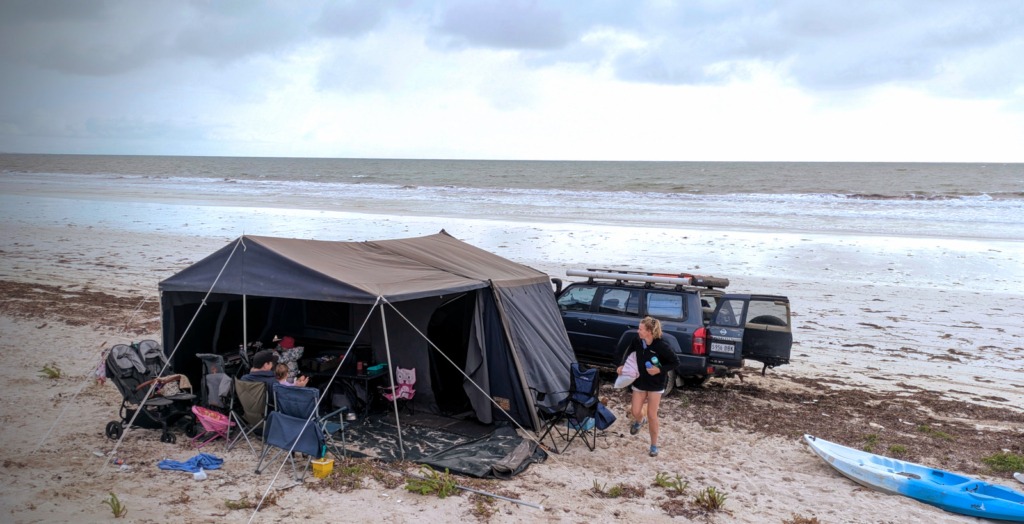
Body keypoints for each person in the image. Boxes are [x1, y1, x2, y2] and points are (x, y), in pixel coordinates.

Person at [617, 316, 679, 457]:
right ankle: (640, 421)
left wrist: (659, 370)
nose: (638, 331)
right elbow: (628, 352)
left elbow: (675, 362)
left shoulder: (661, 345)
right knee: (635, 411)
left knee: (652, 415)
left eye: (640, 329)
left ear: (649, 331)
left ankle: (653, 446)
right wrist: (622, 365)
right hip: (640, 381)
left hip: (656, 384)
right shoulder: (637, 341)